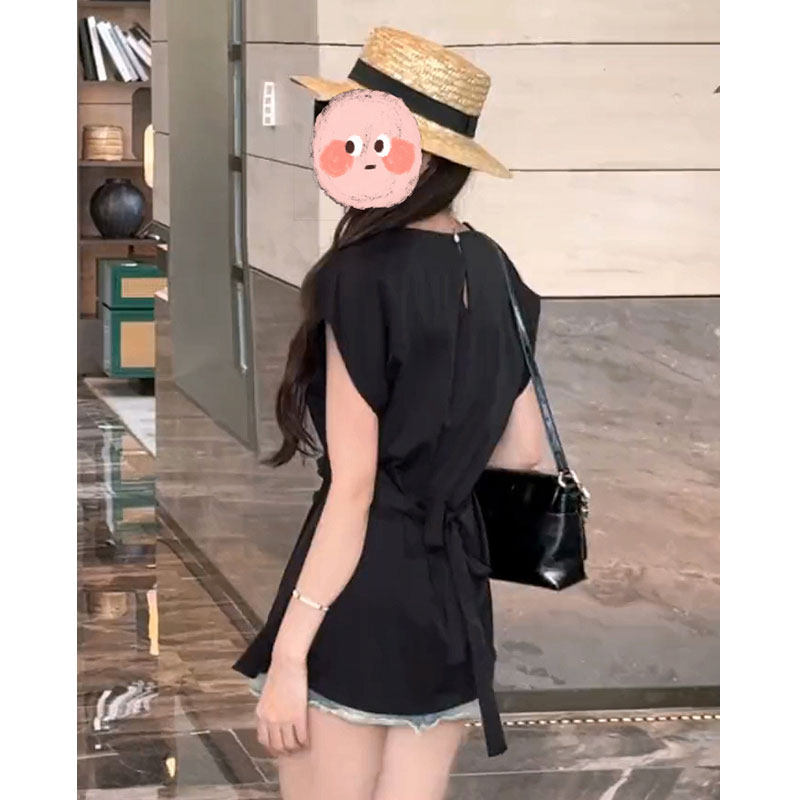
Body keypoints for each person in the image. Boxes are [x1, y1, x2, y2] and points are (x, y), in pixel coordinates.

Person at [232, 27, 546, 800]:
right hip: (454, 602)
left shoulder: (360, 276)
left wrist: (290, 655)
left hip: (357, 601)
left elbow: (355, 489)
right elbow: (524, 454)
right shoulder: (498, 270)